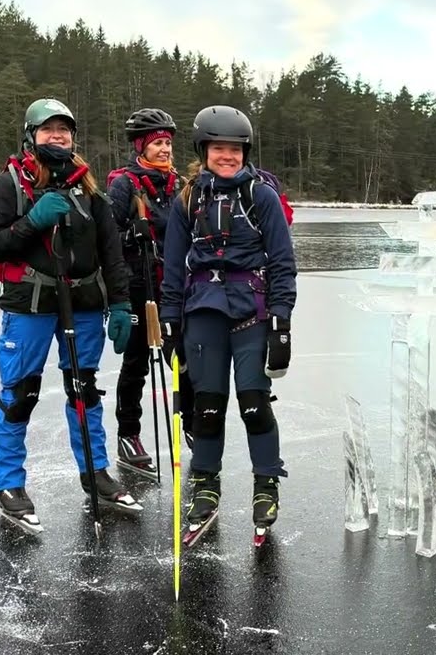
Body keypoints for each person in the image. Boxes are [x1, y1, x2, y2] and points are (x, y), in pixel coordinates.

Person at [0, 97, 141, 534]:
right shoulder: (12, 183)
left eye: (64, 129)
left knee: (84, 391)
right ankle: (9, 484)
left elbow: (111, 252)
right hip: (29, 305)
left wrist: (120, 303)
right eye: (48, 129)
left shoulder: (88, 188)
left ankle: (96, 473)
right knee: (20, 394)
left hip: (84, 305)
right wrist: (31, 221)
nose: (58, 136)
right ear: (31, 135)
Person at [159, 105, 297, 546]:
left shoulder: (262, 197)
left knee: (254, 402)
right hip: (202, 311)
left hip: (250, 311)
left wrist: (281, 322)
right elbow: (173, 266)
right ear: (203, 150)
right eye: (219, 148)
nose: (228, 156)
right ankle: (205, 485)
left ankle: (266, 485)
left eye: (235, 149)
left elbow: (282, 262)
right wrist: (169, 318)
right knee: (208, 407)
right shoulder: (188, 199)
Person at [106, 107, 186, 479]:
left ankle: (191, 425)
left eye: (168, 143)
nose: (165, 149)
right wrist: (130, 236)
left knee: (182, 360)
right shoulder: (124, 184)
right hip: (138, 286)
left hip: (173, 287)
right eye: (157, 143)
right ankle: (129, 434)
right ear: (141, 147)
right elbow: (105, 239)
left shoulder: (179, 185)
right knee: (137, 363)